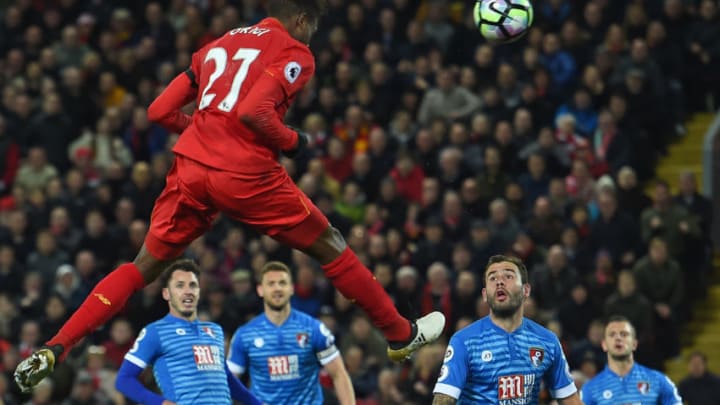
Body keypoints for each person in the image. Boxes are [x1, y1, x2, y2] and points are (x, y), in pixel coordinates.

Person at [14, 0, 444, 392]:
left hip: (190, 168)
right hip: (243, 173)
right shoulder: (295, 51)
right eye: (312, 28)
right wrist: (294, 141)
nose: (311, 36)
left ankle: (58, 344)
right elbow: (253, 112)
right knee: (330, 243)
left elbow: (157, 111)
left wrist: (203, 132)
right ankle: (400, 335)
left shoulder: (219, 44)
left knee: (142, 266)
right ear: (301, 20)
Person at [431, 255, 582, 404]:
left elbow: (569, 398)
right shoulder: (464, 341)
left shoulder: (547, 341)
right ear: (484, 295)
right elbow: (444, 399)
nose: (499, 282)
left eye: (508, 276)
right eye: (492, 278)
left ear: (526, 290)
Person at [113, 260, 261, 405]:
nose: (188, 291)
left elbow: (226, 378)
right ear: (166, 294)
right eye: (180, 286)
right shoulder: (155, 332)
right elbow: (124, 380)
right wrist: (161, 403)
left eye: (193, 285)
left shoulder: (215, 330)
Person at [227, 261, 355, 404]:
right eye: (271, 284)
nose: (277, 289)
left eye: (282, 283)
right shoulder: (245, 335)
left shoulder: (313, 329)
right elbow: (228, 382)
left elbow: (338, 374)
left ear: (292, 289)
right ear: (260, 290)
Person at [580, 315, 683, 405]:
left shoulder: (658, 381)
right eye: (612, 335)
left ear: (634, 344)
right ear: (604, 345)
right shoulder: (590, 389)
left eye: (624, 334)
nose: (618, 338)